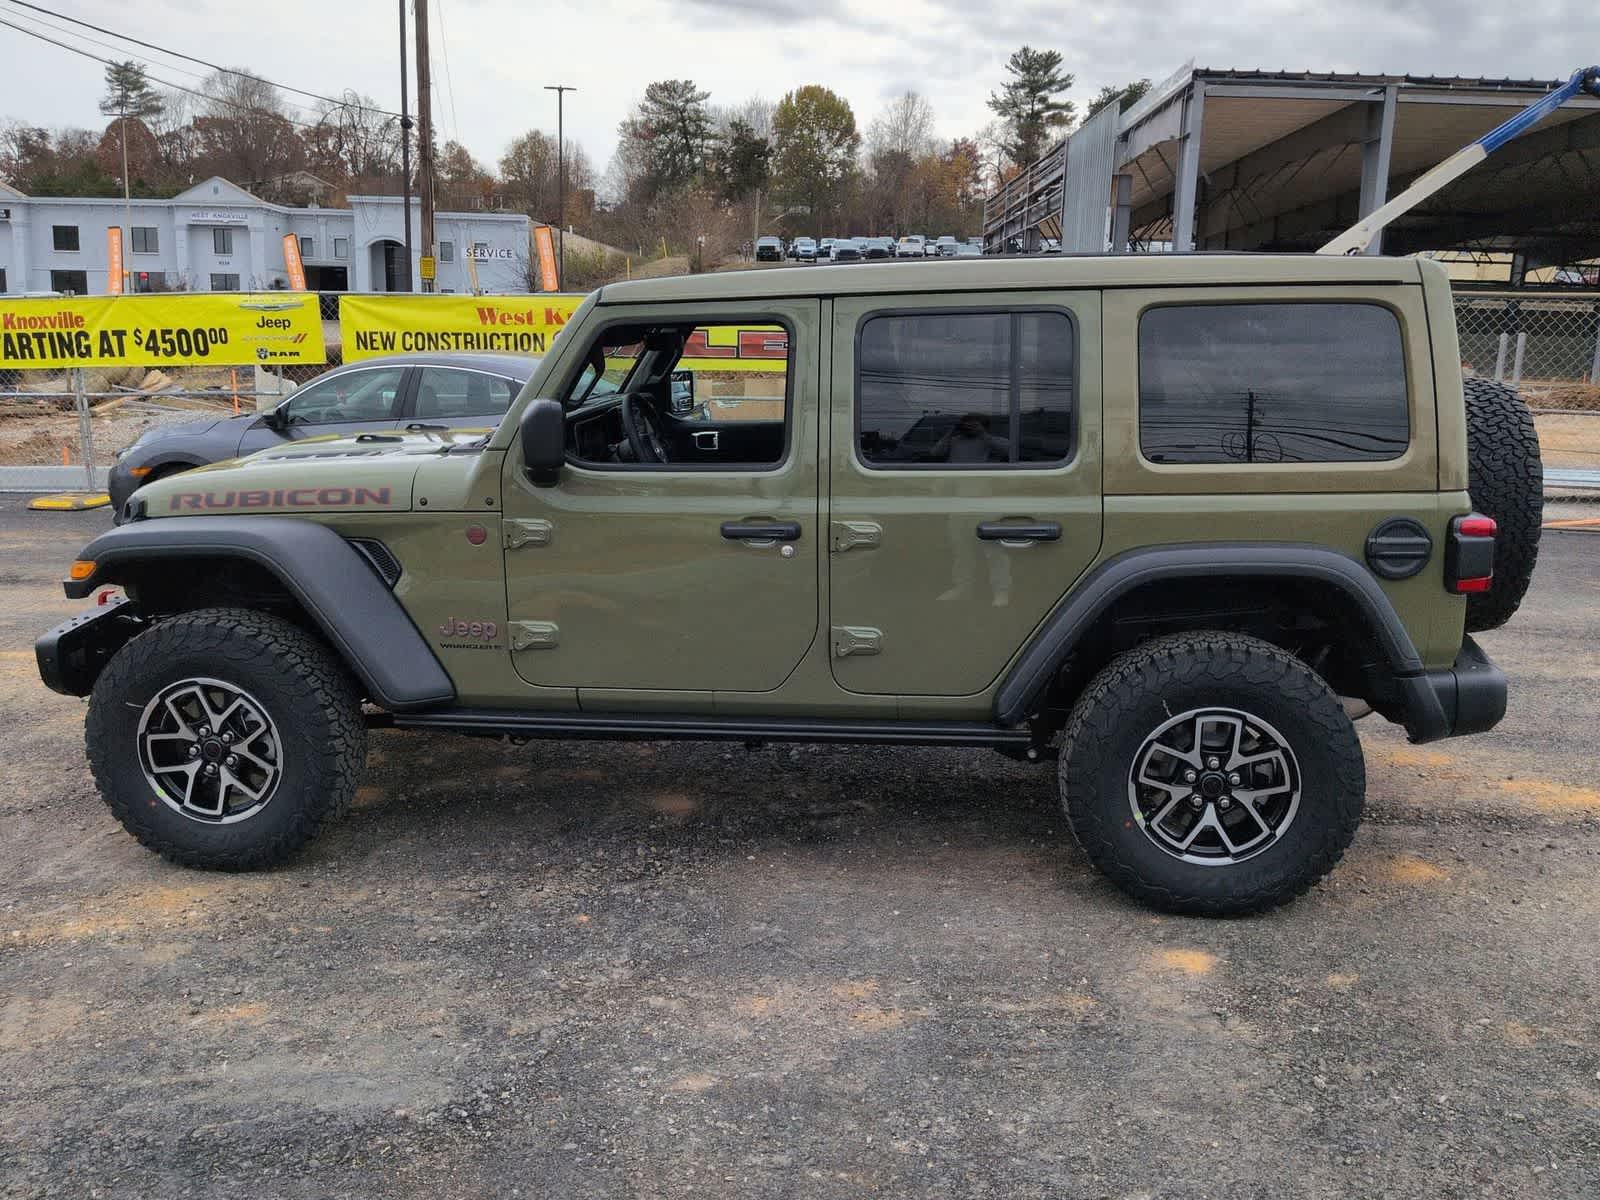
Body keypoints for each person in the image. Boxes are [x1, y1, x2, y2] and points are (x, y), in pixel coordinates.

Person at [930, 412, 1009, 463]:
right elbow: (935, 453)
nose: (969, 428)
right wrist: (950, 433)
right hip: (954, 477)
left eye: (974, 425)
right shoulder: (953, 440)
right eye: (966, 425)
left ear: (985, 427)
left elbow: (1008, 451)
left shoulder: (994, 441)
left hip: (983, 477)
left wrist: (982, 434)